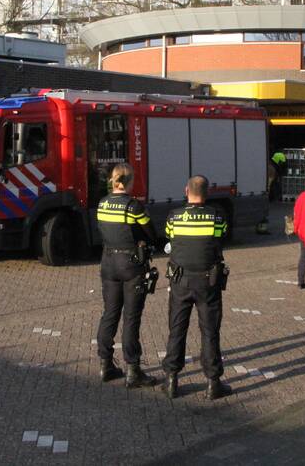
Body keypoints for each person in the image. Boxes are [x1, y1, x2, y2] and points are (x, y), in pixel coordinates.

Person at [162, 175, 231, 400]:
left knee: (177, 328)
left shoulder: (174, 216)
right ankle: (213, 383)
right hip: (207, 282)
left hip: (180, 281)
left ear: (186, 191)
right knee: (210, 331)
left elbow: (169, 236)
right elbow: (221, 237)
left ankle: (171, 380)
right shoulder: (216, 216)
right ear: (207, 192)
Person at [95, 163, 159, 388]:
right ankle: (133, 371)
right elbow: (151, 233)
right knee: (131, 317)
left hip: (108, 263)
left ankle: (105, 365)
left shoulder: (102, 203)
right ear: (130, 181)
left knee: (110, 314)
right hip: (131, 265)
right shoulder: (133, 206)